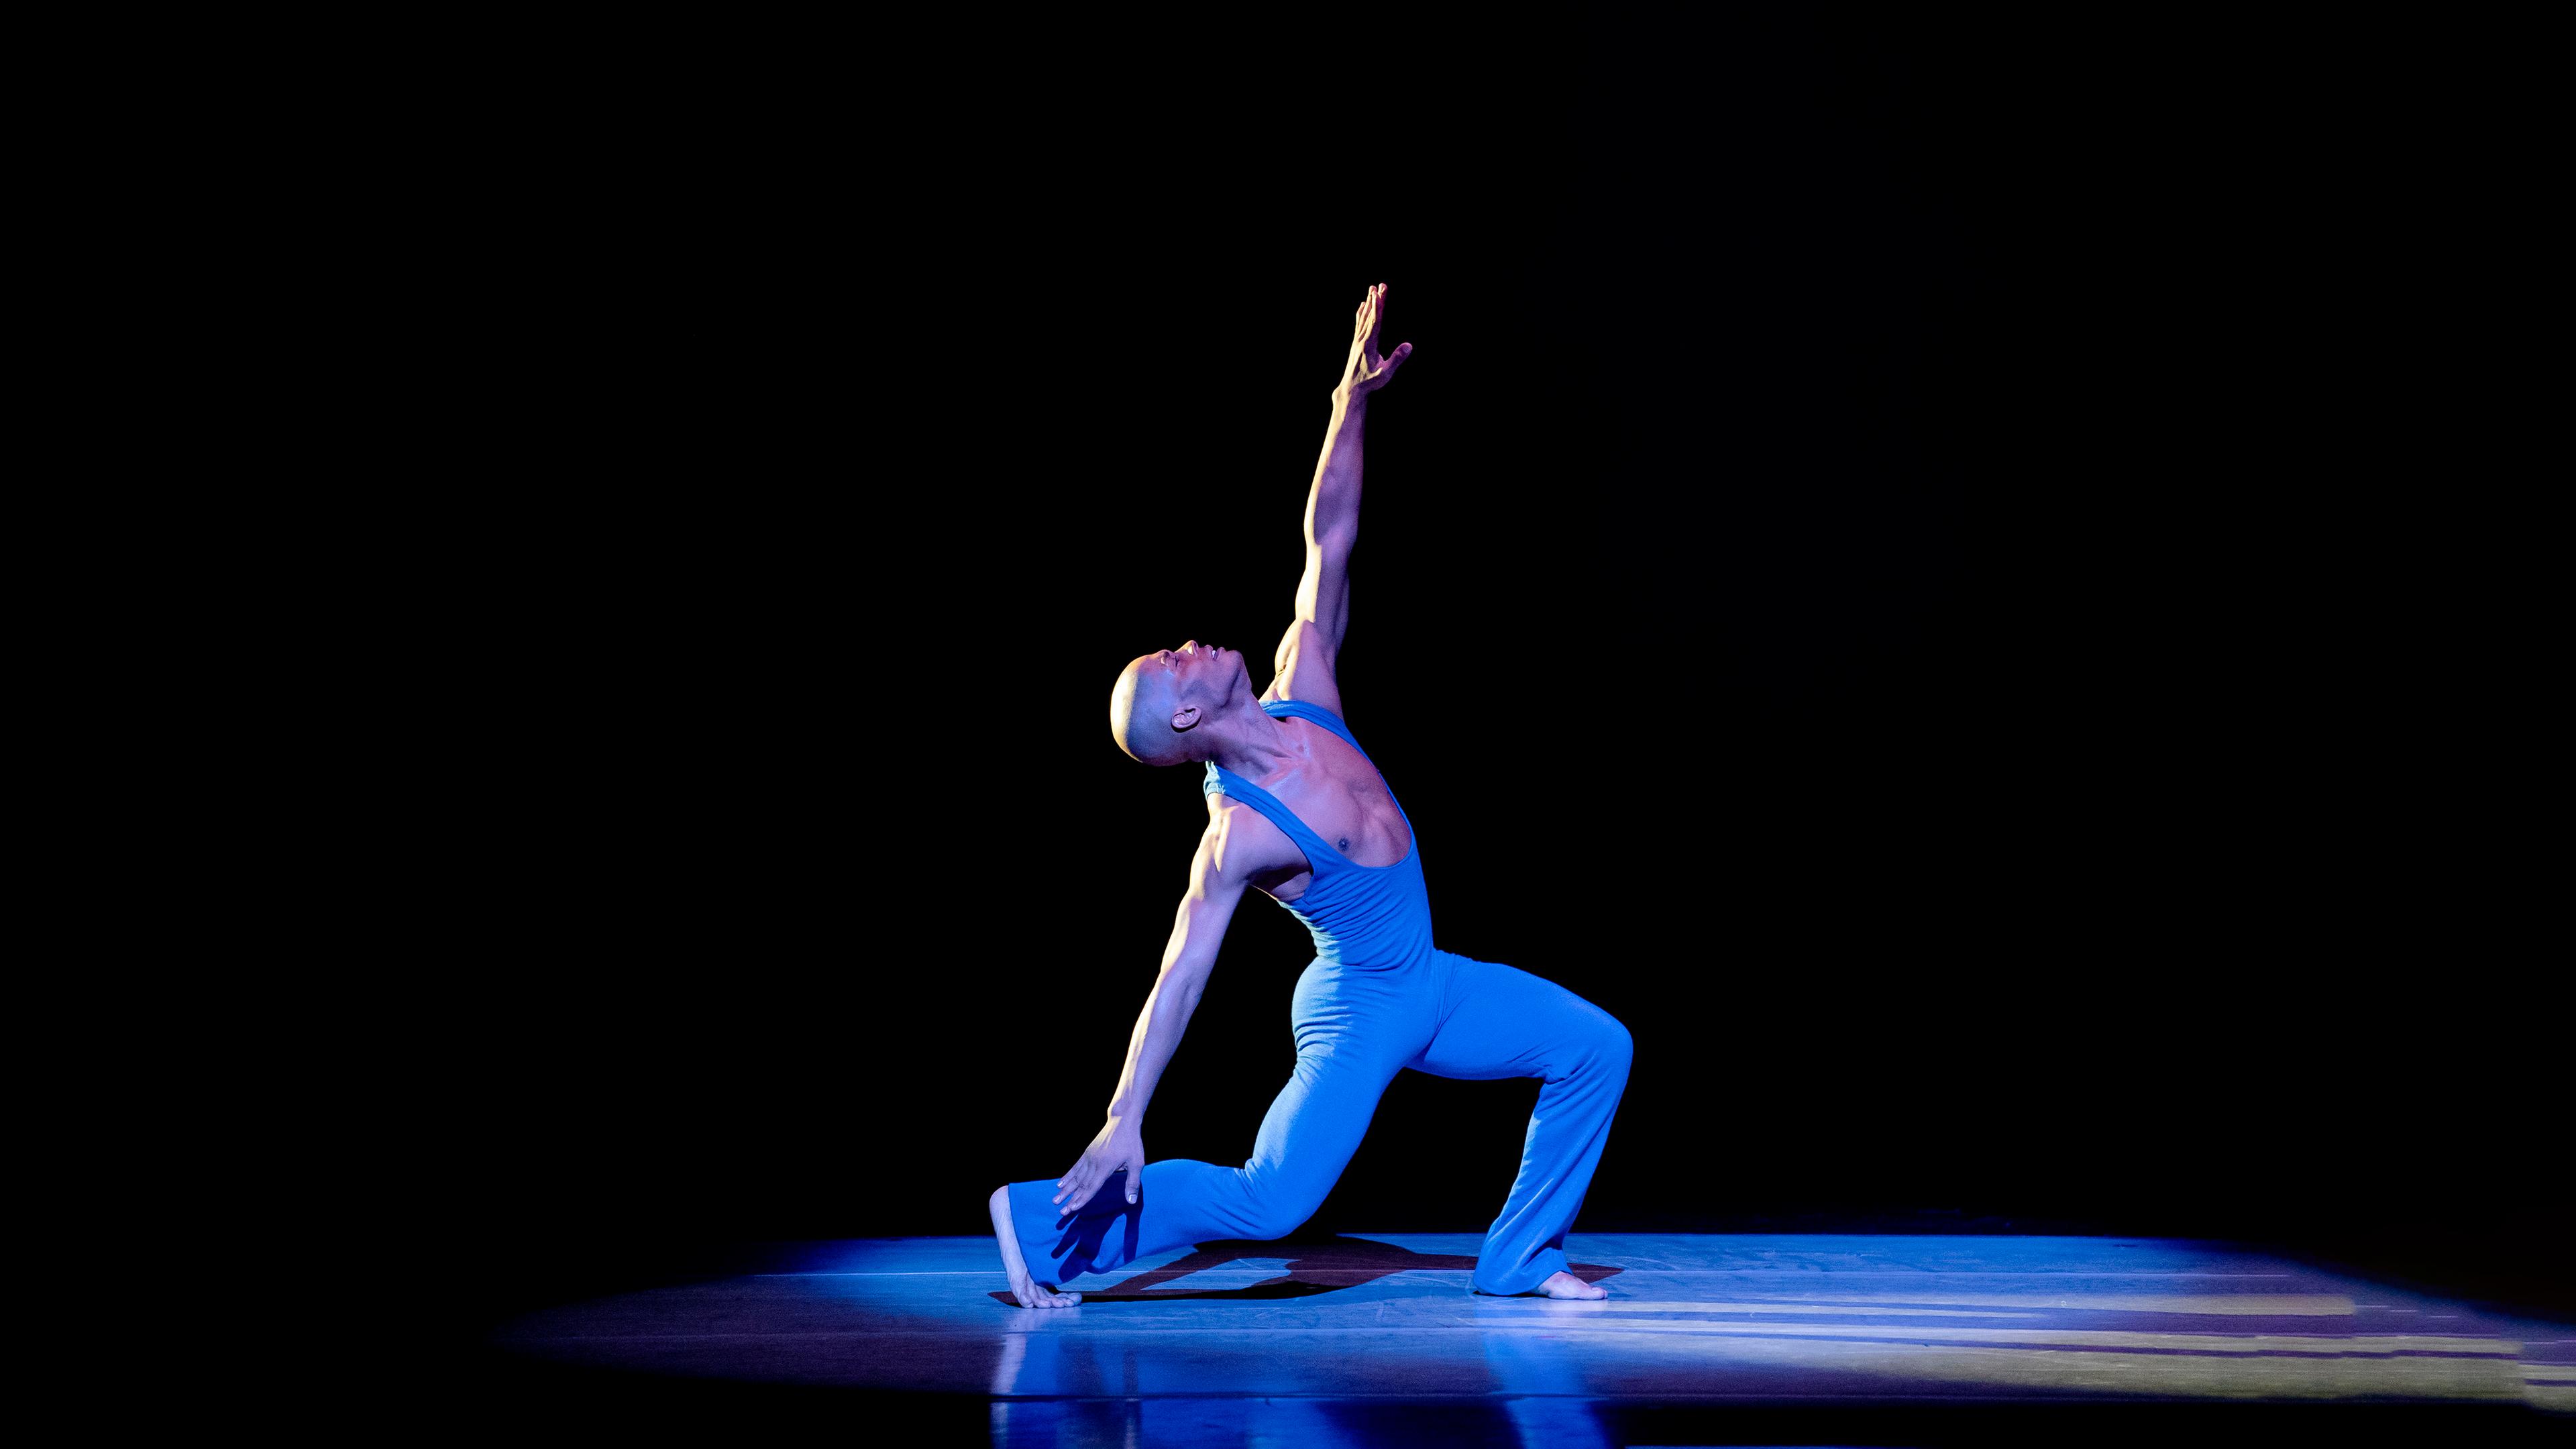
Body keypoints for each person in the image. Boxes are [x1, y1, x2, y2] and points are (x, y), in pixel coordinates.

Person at [988, 284, 1633, 1307]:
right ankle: (1041, 1222)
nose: (1190, 642)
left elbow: (1328, 535)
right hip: (1360, 1007)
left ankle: (1521, 1257)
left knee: (1597, 1045)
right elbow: (1180, 977)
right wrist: (1123, 1115)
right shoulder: (1240, 835)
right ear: (1187, 720)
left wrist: (1352, 396)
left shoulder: (1306, 686)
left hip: (1431, 983)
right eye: (1175, 659)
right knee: (1270, 1205)